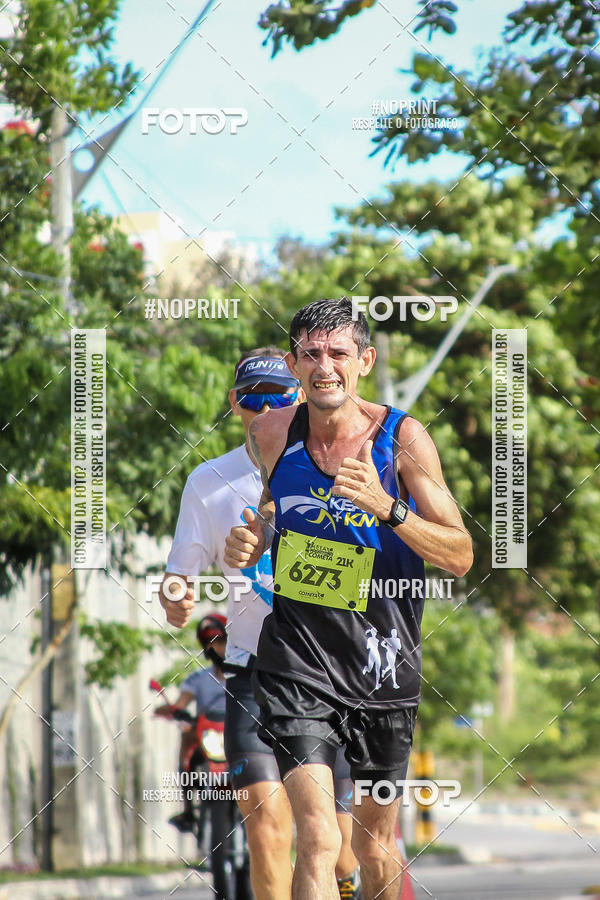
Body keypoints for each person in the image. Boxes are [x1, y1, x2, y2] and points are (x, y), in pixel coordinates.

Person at [224, 298, 474, 900]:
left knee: (373, 845)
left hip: (382, 664)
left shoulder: (402, 439)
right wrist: (253, 537)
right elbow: (273, 506)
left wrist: (387, 508)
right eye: (310, 354)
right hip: (297, 661)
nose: (323, 366)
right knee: (317, 838)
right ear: (294, 362)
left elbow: (461, 553)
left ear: (364, 360)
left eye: (338, 353)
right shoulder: (271, 432)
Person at [159, 348, 361, 900]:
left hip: (331, 674)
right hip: (253, 675)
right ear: (235, 404)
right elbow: (179, 572)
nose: (266, 412)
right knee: (268, 828)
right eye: (255, 401)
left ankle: (346, 883)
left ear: (299, 397)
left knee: (338, 842)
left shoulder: (338, 470)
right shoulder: (208, 481)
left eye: (279, 398)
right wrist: (176, 598)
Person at [154, 614, 227, 832]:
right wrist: (172, 710)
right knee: (186, 734)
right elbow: (181, 702)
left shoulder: (245, 676)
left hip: (239, 733)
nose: (216, 648)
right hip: (209, 734)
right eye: (210, 643)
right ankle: (188, 810)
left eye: (221, 642)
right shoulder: (197, 679)